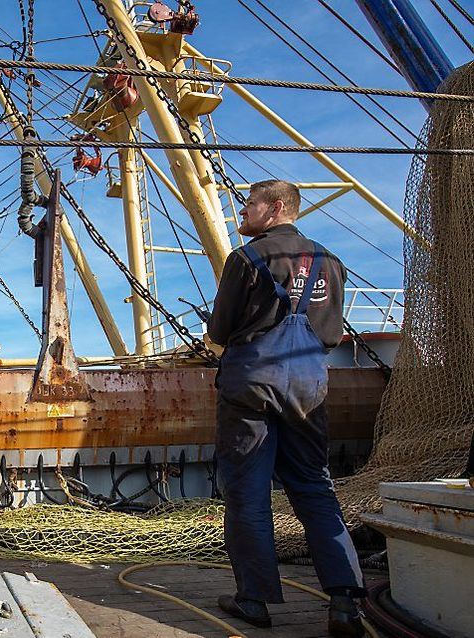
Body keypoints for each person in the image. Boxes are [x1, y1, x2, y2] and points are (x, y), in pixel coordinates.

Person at [207, 180, 366, 637]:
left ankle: (252, 599)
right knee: (315, 488)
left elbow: (220, 328)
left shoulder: (246, 258)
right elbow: (331, 334)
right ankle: (344, 603)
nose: (242, 210)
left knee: (248, 493)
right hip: (308, 388)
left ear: (275, 208)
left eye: (248, 203)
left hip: (251, 388)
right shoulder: (331, 262)